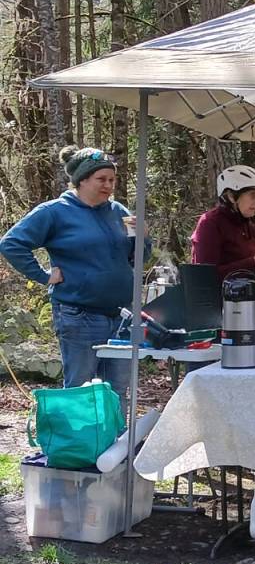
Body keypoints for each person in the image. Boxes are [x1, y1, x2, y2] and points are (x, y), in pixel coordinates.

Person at [0, 145, 150, 415]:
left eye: (112, 180)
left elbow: (138, 258)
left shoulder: (118, 211)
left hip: (122, 317)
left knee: (117, 389)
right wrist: (44, 275)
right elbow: (11, 244)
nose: (108, 185)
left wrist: (142, 237)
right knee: (81, 389)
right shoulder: (55, 211)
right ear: (82, 180)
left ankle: (115, 450)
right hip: (78, 315)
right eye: (101, 179)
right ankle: (78, 453)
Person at [191, 164, 255, 281]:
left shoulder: (247, 224)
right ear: (231, 196)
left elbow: (251, 272)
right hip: (215, 298)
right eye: (254, 195)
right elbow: (205, 276)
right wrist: (253, 263)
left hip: (244, 296)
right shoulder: (210, 223)